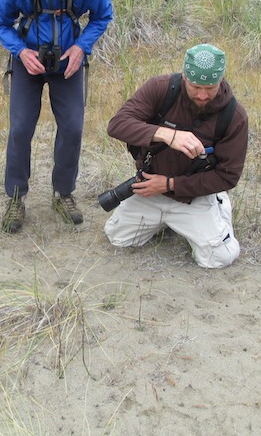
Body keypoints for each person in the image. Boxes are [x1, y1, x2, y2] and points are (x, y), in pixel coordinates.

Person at [0, 0, 113, 233]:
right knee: (20, 129)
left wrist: (81, 47)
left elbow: (103, 15)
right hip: (27, 64)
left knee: (72, 127)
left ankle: (63, 193)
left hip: (67, 64)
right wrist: (20, 51)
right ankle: (16, 197)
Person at [103, 44, 249, 268]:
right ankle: (167, 222)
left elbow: (228, 177)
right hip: (150, 187)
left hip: (193, 196)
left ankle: (219, 207)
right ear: (184, 77)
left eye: (210, 87)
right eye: (195, 86)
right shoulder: (160, 89)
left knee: (220, 258)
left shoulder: (234, 116)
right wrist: (166, 135)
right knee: (118, 238)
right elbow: (117, 125)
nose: (202, 95)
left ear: (221, 80)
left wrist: (170, 184)